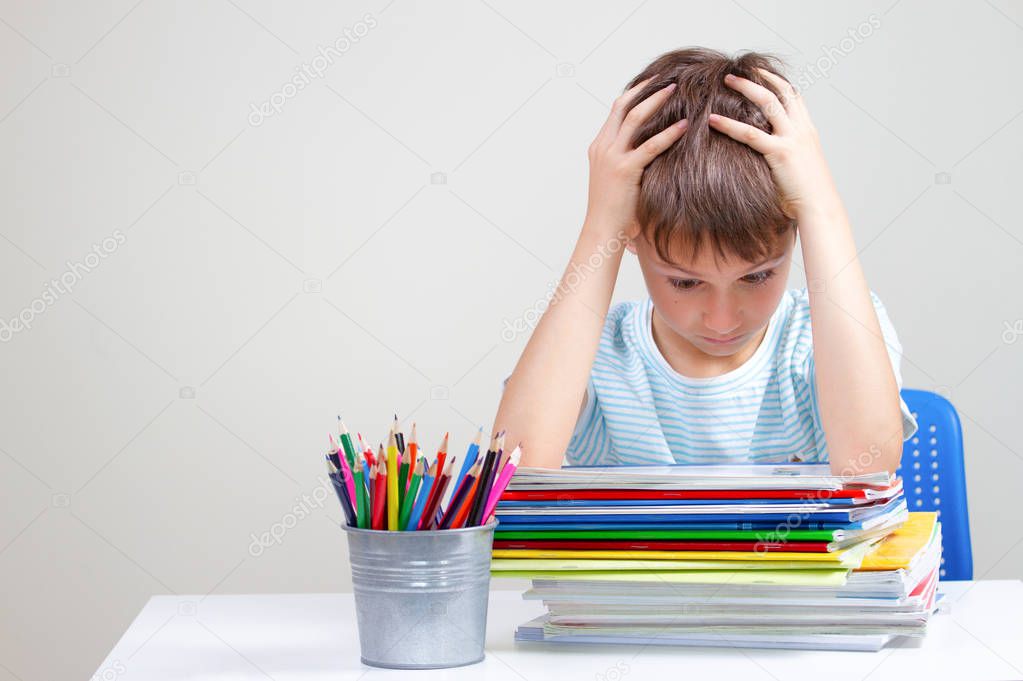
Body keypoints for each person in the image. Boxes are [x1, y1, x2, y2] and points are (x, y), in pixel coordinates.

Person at [492, 47, 917, 474]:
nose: (721, 320)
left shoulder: (818, 337)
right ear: (632, 235)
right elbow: (514, 473)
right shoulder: (599, 356)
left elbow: (871, 466)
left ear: (797, 233)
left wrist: (821, 209)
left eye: (756, 276)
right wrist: (603, 227)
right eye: (685, 282)